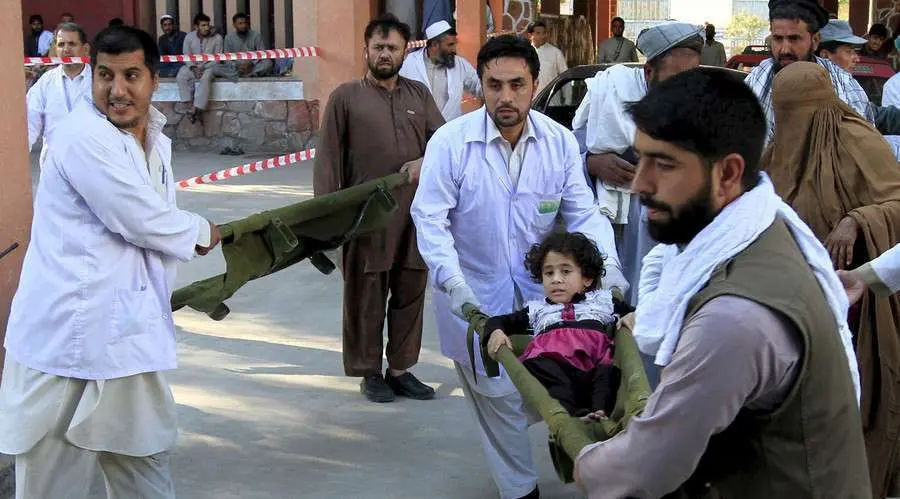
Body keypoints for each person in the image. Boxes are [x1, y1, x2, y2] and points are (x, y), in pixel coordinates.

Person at [574, 67, 869, 499]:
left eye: (665, 164)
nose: (640, 183)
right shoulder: (764, 228)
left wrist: (585, 460)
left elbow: (645, 466)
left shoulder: (734, 318)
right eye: (642, 159)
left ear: (729, 173)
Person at [0, 25, 221, 499]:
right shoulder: (81, 134)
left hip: (127, 341)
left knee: (146, 471)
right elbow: (138, 217)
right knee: (52, 485)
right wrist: (201, 232)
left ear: (154, 81)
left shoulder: (156, 139)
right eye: (105, 75)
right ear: (91, 76)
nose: (116, 90)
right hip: (65, 345)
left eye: (131, 76)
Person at [411, 35, 626, 499]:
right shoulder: (450, 143)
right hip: (474, 297)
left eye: (516, 85)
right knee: (499, 402)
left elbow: (582, 213)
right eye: (494, 85)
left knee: (554, 388)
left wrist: (608, 268)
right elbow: (429, 220)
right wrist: (453, 283)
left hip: (542, 300)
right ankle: (520, 491)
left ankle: (565, 449)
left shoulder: (559, 142)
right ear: (481, 87)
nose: (505, 97)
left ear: (534, 86)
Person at [760, 61, 900, 498]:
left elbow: (898, 201)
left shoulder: (860, 141)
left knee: (856, 407)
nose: (792, 125)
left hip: (859, 306)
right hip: (796, 305)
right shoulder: (777, 149)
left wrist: (859, 221)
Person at [314, 14, 444, 404]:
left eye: (393, 48)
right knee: (365, 297)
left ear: (406, 51)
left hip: (414, 217)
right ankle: (369, 372)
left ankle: (401, 369)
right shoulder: (345, 98)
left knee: (410, 291)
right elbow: (328, 163)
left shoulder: (419, 95)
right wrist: (326, 222)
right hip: (365, 220)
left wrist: (425, 162)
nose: (385, 54)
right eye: (379, 47)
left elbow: (443, 144)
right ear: (365, 50)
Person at [572, 22, 704, 307]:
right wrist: (592, 163)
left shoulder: (699, 112)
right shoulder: (611, 91)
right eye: (676, 78)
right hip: (612, 223)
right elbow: (568, 157)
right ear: (649, 72)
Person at [484, 232, 622, 421]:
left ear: (587, 279)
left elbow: (633, 312)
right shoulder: (537, 309)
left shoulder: (602, 301)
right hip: (554, 365)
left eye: (565, 271)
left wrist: (631, 317)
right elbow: (498, 321)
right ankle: (570, 417)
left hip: (594, 360)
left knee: (608, 370)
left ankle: (600, 412)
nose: (556, 279)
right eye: (549, 273)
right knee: (543, 369)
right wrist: (496, 331)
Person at [744, 0, 900, 144]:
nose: (784, 49)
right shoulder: (756, 81)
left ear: (815, 40)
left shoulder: (843, 83)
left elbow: (861, 138)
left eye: (794, 39)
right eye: (778, 39)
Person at [26, 23, 92, 164]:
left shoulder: (99, 81)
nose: (66, 49)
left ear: (85, 49)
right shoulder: (45, 82)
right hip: (53, 166)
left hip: (91, 163)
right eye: (61, 44)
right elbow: (29, 123)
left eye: (72, 44)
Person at [399, 20, 481, 122]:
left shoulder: (460, 64)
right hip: (419, 130)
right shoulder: (408, 64)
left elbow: (479, 87)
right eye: (450, 45)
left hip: (451, 131)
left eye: (454, 44)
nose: (454, 50)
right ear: (434, 45)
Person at [176, 13, 225, 124]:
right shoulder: (189, 37)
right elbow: (186, 55)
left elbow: (217, 59)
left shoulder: (217, 38)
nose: (206, 28)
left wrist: (203, 68)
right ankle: (189, 105)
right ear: (196, 27)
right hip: (193, 66)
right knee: (181, 74)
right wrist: (193, 67)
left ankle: (196, 108)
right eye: (203, 25)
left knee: (206, 77)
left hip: (210, 66)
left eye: (207, 25)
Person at [223, 13, 273, 78]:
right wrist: (237, 66)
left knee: (268, 63)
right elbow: (227, 58)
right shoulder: (228, 38)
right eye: (240, 23)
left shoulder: (256, 35)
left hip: (253, 65)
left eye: (245, 23)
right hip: (237, 66)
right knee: (219, 67)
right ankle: (249, 74)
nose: (243, 26)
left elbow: (262, 54)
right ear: (234, 25)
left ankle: (245, 75)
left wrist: (251, 63)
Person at [528, 21, 568, 96]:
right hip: (531, 100)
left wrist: (567, 100)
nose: (542, 36)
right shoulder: (525, 52)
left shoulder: (555, 52)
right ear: (530, 35)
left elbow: (565, 76)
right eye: (538, 33)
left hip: (551, 100)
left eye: (544, 33)